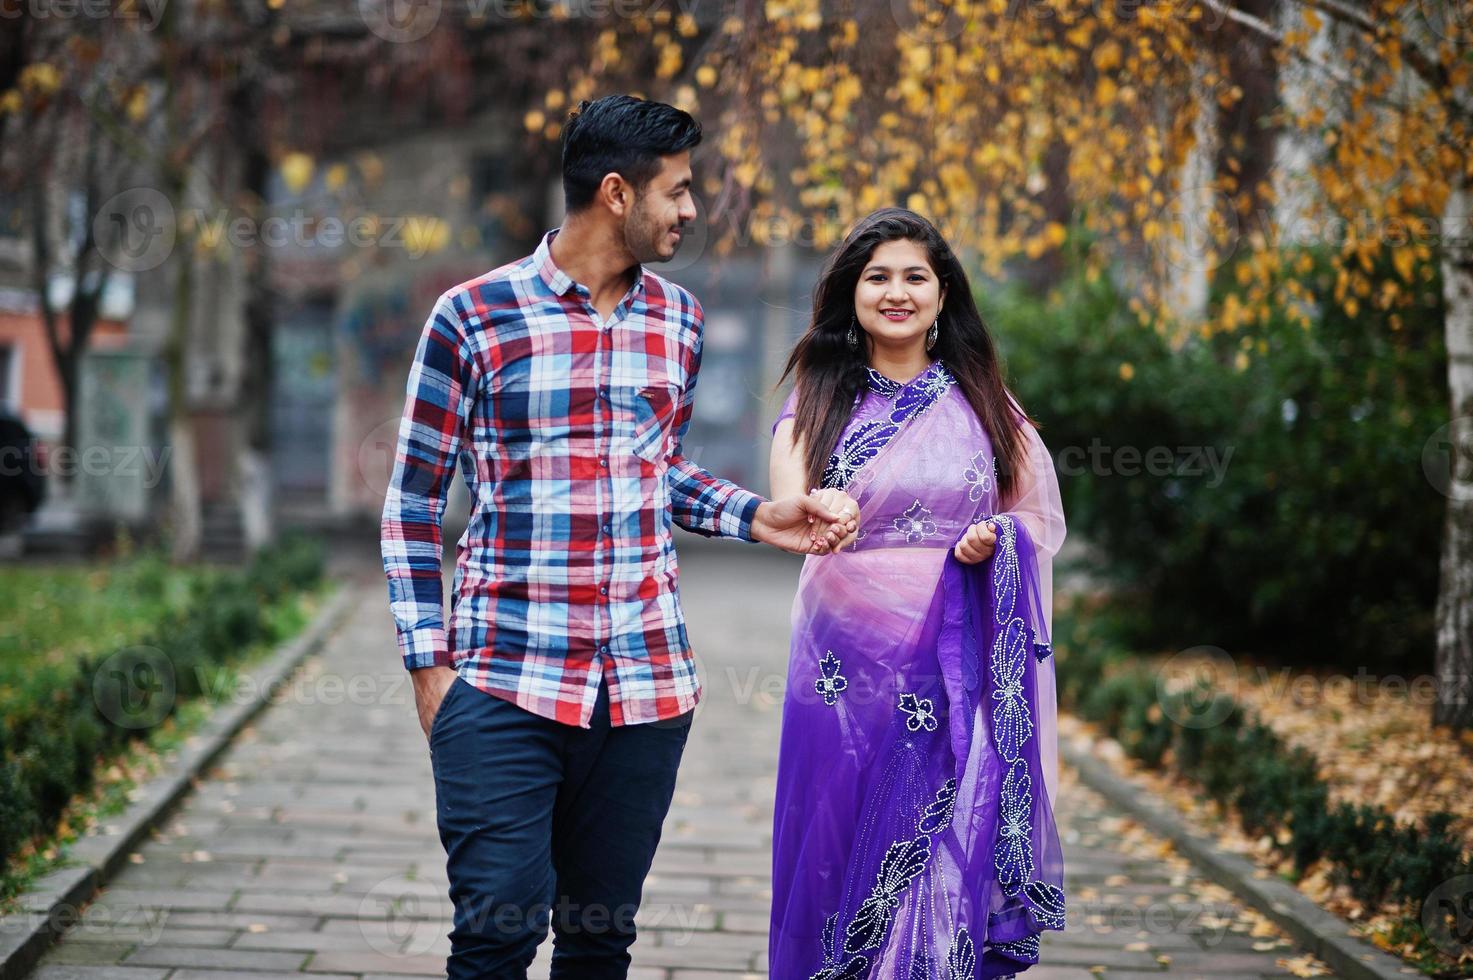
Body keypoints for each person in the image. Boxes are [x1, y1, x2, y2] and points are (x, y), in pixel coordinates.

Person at [379, 94, 859, 980]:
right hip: (502, 679)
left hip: (642, 688)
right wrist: (428, 665)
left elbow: (653, 469)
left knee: (600, 941)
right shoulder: (472, 317)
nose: (689, 210)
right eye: (676, 191)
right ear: (614, 193)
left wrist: (758, 515)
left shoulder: (675, 320)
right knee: (494, 936)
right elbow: (411, 503)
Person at [767, 208, 1068, 979]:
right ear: (850, 293)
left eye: (914, 277)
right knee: (834, 835)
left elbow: (1033, 517)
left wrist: (996, 542)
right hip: (840, 665)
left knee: (938, 831)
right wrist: (817, 513)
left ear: (942, 296)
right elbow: (788, 502)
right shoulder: (819, 397)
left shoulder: (985, 404)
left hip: (955, 656)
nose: (895, 292)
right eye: (877, 277)